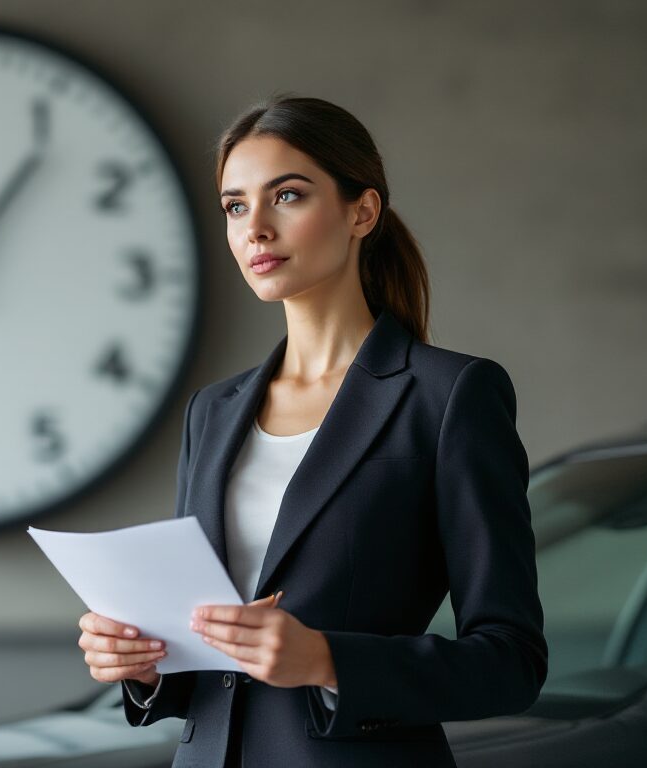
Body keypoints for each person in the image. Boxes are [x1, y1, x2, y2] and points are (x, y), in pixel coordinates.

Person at [75, 93, 548, 767]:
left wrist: (327, 659)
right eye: (236, 206)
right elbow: (203, 658)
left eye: (287, 196)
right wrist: (143, 665)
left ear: (363, 211)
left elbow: (511, 662)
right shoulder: (212, 410)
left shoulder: (449, 397)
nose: (255, 228)